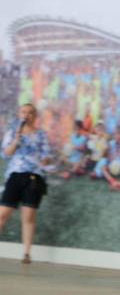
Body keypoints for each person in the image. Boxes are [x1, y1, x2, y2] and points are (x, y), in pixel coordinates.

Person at [0, 104, 52, 264]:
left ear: (35, 116)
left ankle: (26, 253)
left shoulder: (41, 134)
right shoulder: (13, 132)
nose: (27, 115)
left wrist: (44, 160)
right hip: (15, 175)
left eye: (30, 113)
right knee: (2, 213)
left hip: (34, 177)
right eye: (24, 112)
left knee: (28, 215)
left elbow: (46, 156)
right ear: (19, 114)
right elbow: (6, 154)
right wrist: (16, 139)